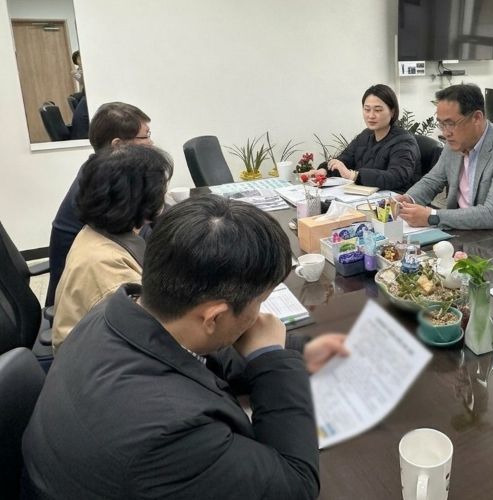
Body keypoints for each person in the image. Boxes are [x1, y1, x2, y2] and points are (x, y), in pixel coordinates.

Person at [23, 195, 348, 499]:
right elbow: (295, 485)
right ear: (214, 316)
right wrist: (271, 360)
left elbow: (201, 349)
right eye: (260, 302)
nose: (262, 316)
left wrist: (297, 351)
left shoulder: (116, 311)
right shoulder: (170, 434)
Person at [51, 144, 173, 351]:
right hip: (97, 361)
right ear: (143, 199)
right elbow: (158, 336)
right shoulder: (109, 269)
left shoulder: (95, 232)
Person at [396, 83, 493, 244]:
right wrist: (408, 199)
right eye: (441, 124)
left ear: (477, 118)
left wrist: (432, 216)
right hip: (468, 235)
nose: (445, 132)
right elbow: (432, 181)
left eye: (450, 124)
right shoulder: (455, 143)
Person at [45, 101, 153, 306]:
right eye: (145, 136)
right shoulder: (104, 188)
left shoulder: (96, 172)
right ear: (118, 145)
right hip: (90, 295)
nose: (151, 143)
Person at [313, 84, 421, 192]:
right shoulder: (365, 136)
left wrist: (354, 176)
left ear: (392, 112)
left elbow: (397, 176)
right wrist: (324, 170)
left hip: (394, 198)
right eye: (367, 109)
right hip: (361, 195)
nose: (371, 115)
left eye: (378, 110)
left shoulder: (404, 141)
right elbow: (344, 160)